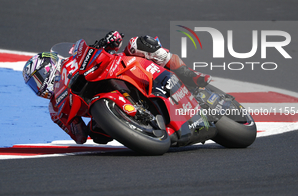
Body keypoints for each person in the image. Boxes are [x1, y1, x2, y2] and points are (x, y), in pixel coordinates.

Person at [22, 31, 211, 145]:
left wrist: (108, 41)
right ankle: (146, 126)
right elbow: (79, 137)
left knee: (139, 43)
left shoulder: (72, 60)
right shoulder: (55, 110)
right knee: (98, 135)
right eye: (33, 85)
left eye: (38, 79)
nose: (38, 87)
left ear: (49, 66)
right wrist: (77, 125)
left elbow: (104, 47)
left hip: (121, 69)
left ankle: (189, 75)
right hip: (102, 104)